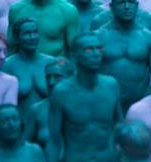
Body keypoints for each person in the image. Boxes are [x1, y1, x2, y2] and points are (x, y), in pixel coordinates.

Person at [47, 33, 124, 162]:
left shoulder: (112, 85)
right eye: (88, 49)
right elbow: (54, 141)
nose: (96, 54)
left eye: (99, 49)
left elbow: (120, 128)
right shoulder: (61, 92)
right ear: (74, 56)